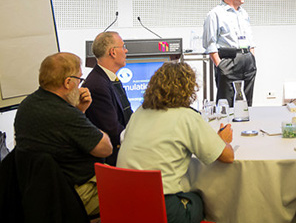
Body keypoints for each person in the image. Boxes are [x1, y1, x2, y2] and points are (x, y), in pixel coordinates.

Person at [117, 61, 234, 223]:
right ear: (188, 88)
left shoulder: (139, 112)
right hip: (160, 209)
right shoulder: (186, 117)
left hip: (122, 205)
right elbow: (227, 157)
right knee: (200, 198)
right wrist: (222, 140)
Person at [14, 52, 113, 216]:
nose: (80, 86)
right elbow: (105, 149)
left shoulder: (27, 104)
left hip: (40, 193)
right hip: (74, 192)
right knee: (134, 193)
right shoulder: (65, 114)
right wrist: (79, 115)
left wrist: (79, 111)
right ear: (68, 82)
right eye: (79, 80)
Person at [203, 0, 256, 106]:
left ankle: (245, 126)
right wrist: (220, 66)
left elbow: (250, 39)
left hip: (247, 60)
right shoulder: (215, 14)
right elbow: (210, 43)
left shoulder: (244, 14)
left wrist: (252, 57)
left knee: (246, 102)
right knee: (226, 103)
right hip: (228, 60)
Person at [83, 31, 132, 165]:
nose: (126, 50)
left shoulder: (110, 79)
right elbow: (112, 130)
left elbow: (127, 115)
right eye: (123, 46)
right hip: (114, 161)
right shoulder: (97, 85)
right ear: (113, 52)